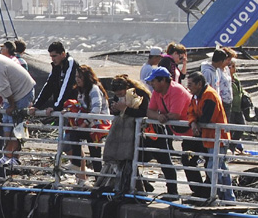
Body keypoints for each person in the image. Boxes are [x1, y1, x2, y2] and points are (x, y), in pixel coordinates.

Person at [184, 71, 234, 201]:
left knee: (215, 167)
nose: (188, 87)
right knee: (218, 168)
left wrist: (195, 122)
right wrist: (193, 122)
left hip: (218, 137)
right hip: (209, 138)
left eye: (190, 84)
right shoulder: (196, 96)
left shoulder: (209, 96)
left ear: (199, 84)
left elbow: (206, 118)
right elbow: (190, 112)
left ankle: (225, 197)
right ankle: (225, 197)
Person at [95, 75, 150, 192]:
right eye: (117, 94)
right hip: (122, 132)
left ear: (127, 88)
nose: (119, 96)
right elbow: (117, 112)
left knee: (131, 159)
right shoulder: (117, 96)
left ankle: (139, 186)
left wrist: (125, 109)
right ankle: (139, 184)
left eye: (121, 93)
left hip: (136, 131)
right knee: (123, 160)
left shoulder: (138, 93)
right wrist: (115, 109)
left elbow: (143, 112)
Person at [145, 66, 192, 198]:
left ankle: (200, 192)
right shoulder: (157, 92)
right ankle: (174, 191)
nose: (152, 84)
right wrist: (159, 116)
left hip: (192, 131)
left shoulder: (177, 90)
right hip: (176, 130)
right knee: (166, 158)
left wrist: (160, 115)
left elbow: (175, 114)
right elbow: (149, 112)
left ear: (163, 81)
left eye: (153, 81)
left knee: (189, 161)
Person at [64, 65, 110, 182]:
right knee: (75, 136)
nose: (77, 79)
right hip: (90, 125)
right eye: (76, 77)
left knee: (95, 155)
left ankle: (98, 180)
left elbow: (96, 109)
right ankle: (77, 163)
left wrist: (83, 124)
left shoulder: (94, 89)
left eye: (80, 77)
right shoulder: (81, 91)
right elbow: (81, 106)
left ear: (86, 77)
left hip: (98, 125)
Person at [33, 41, 79, 115]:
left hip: (71, 106)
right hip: (62, 108)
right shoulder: (56, 66)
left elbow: (67, 85)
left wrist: (57, 107)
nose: (52, 59)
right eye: (51, 56)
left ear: (63, 54)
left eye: (54, 56)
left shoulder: (70, 63)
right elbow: (49, 86)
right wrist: (36, 106)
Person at [201, 48, 232, 113]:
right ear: (221, 61)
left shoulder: (216, 70)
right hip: (210, 103)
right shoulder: (208, 72)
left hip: (216, 101)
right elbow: (205, 89)